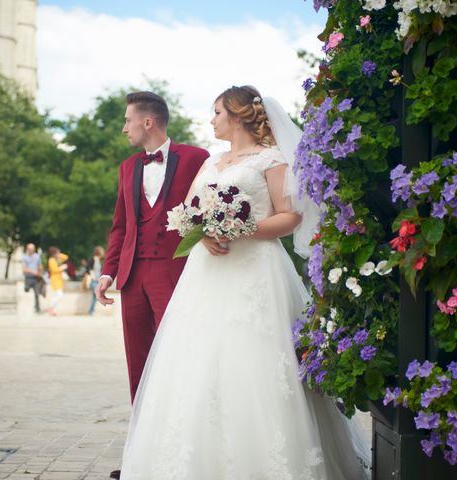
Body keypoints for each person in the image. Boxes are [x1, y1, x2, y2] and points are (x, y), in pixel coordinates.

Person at [118, 86, 371, 479]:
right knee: (195, 361)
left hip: (256, 270)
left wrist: (242, 229)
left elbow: (290, 216)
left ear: (237, 117)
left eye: (217, 112)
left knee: (255, 362)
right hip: (206, 273)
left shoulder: (271, 160)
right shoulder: (211, 162)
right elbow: (187, 210)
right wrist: (203, 232)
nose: (212, 120)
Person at [96, 91, 209, 403]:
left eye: (127, 120)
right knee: (138, 356)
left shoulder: (196, 158)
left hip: (175, 271)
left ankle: (183, 415)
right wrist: (108, 273)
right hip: (132, 275)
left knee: (179, 348)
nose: (124, 128)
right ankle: (143, 425)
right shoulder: (127, 167)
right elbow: (120, 226)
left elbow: (208, 211)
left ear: (147, 122)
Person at [21, 243, 43, 313]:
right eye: (29, 249)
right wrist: (32, 271)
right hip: (28, 277)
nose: (31, 250)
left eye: (32, 249)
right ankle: (24, 307)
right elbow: (24, 269)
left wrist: (40, 272)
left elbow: (40, 265)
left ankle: (37, 308)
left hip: (36, 278)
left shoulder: (37, 256)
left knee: (37, 293)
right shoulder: (25, 257)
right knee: (26, 291)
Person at [46, 246, 68, 316]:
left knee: (57, 295)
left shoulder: (57, 259)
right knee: (59, 295)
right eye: (57, 253)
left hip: (59, 280)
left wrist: (59, 255)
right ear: (54, 253)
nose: (59, 254)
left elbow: (66, 257)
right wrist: (62, 268)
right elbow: (54, 270)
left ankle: (52, 310)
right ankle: (50, 308)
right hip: (55, 280)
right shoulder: (51, 260)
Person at [87, 245, 105, 315]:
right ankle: (91, 310)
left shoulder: (99, 261)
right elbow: (88, 268)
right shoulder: (93, 259)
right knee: (97, 294)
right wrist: (92, 276)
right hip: (93, 281)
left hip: (98, 281)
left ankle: (91, 311)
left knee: (95, 296)